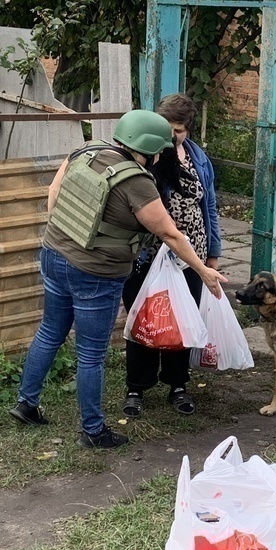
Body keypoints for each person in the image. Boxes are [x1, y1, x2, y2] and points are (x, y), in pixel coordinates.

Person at [9, 109, 226, 449]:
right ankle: (93, 430)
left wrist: (65, 239)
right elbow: (170, 234)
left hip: (53, 254)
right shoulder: (137, 181)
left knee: (50, 331)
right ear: (153, 148)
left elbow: (54, 192)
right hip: (97, 273)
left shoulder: (86, 150)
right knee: (91, 354)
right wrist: (204, 270)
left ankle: (26, 402)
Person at [122, 93, 221, 418]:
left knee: (183, 320)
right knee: (145, 318)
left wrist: (213, 254)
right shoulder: (146, 156)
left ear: (187, 130)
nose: (170, 136)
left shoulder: (198, 158)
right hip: (149, 256)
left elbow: (209, 206)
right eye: (165, 128)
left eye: (176, 130)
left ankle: (178, 385)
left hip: (191, 254)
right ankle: (137, 387)